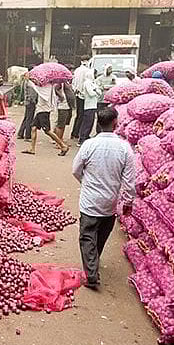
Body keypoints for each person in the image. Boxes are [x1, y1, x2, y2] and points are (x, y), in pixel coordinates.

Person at [72, 106, 136, 290]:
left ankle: (91, 273)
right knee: (101, 235)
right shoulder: (125, 148)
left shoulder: (89, 145)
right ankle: (93, 263)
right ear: (116, 124)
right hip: (110, 202)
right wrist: (128, 201)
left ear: (98, 123)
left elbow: (75, 170)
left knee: (87, 236)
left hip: (90, 201)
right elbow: (129, 179)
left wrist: (86, 182)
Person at [22, 78, 69, 156]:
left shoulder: (46, 88)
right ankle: (32, 149)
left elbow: (34, 87)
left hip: (43, 111)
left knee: (47, 131)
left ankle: (63, 146)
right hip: (40, 110)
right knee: (33, 128)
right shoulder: (48, 86)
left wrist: (30, 80)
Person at [77, 68, 102, 145]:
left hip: (94, 105)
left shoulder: (93, 83)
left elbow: (100, 93)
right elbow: (91, 93)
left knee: (91, 122)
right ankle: (82, 138)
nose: (96, 75)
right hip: (88, 105)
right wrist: (95, 90)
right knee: (87, 123)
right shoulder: (87, 83)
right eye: (95, 74)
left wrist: (95, 90)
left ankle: (87, 136)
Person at [70, 56, 90, 140]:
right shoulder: (87, 71)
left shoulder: (77, 70)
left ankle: (75, 132)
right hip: (84, 95)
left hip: (77, 94)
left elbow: (74, 82)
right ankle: (79, 133)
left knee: (79, 115)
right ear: (86, 61)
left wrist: (76, 90)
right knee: (83, 115)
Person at [18, 72, 37, 140]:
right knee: (29, 119)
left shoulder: (27, 82)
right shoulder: (30, 83)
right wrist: (33, 101)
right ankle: (27, 135)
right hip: (30, 103)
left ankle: (20, 133)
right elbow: (32, 95)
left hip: (28, 102)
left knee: (26, 118)